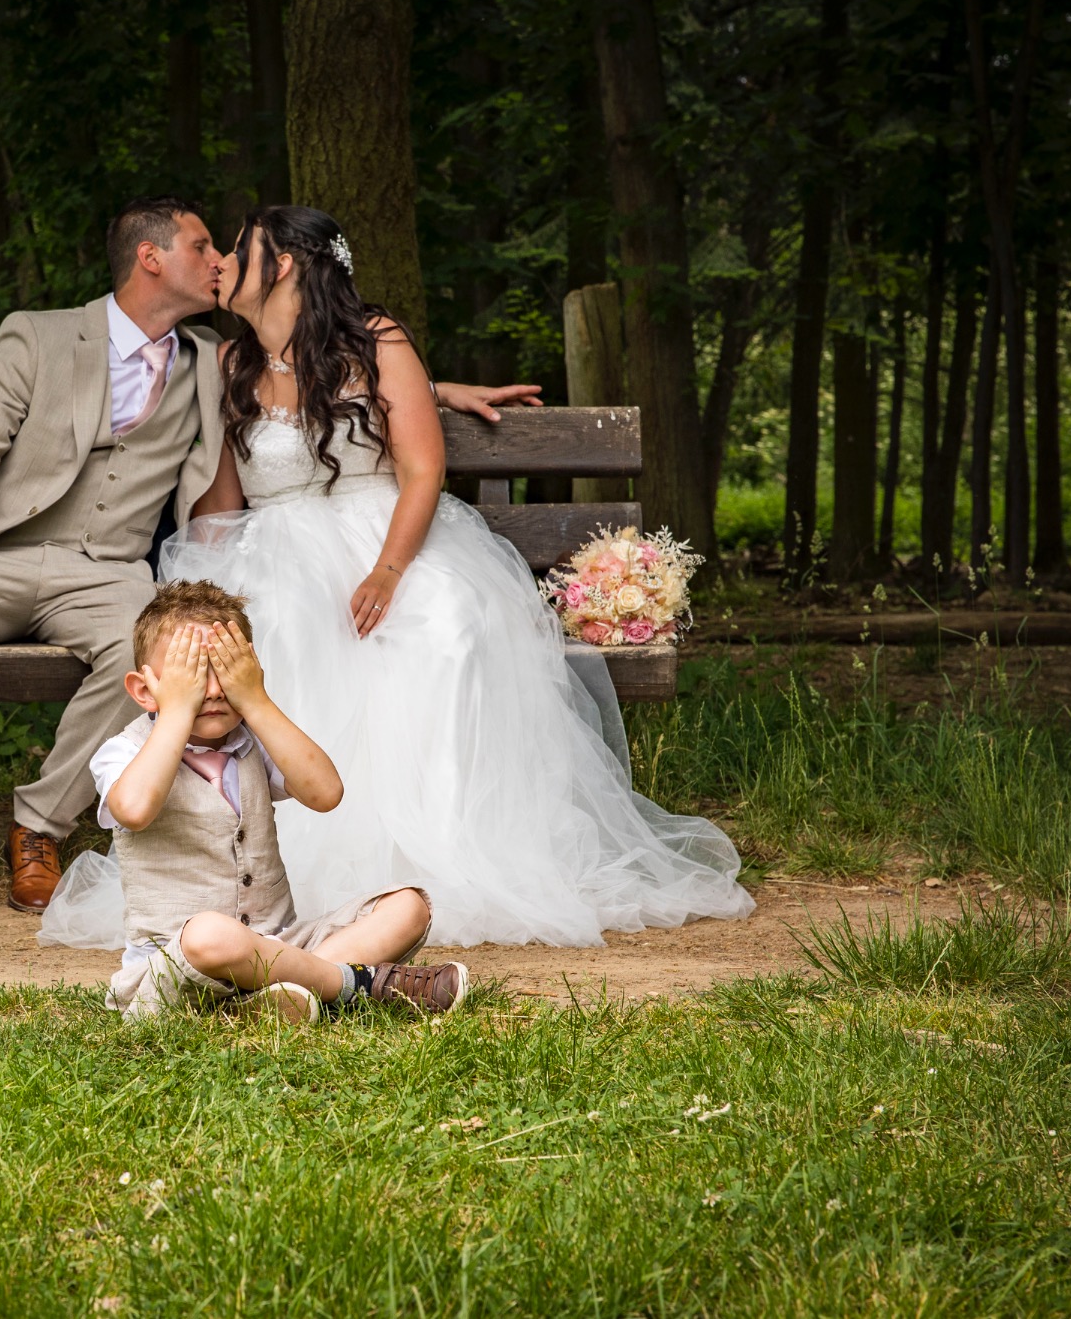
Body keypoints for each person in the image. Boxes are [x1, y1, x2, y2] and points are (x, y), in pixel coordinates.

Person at [0, 195, 533, 933]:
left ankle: (39, 826)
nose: (219, 262)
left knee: (164, 648)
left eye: (229, 249)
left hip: (107, 573)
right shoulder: (55, 340)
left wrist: (436, 391)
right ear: (151, 258)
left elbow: (339, 374)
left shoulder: (207, 357)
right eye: (204, 246)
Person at [152, 205, 751, 947]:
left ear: (280, 265)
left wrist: (387, 571)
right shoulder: (227, 364)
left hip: (385, 536)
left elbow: (422, 469)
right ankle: (293, 865)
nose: (220, 261)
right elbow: (221, 501)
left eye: (237, 248)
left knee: (445, 622)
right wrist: (199, 594)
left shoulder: (376, 341)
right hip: (273, 552)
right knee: (275, 624)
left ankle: (443, 849)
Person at [87, 580, 469, 1021]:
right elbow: (135, 810)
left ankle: (274, 997)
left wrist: (256, 701)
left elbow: (325, 793)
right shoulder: (125, 752)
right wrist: (175, 711)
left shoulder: (253, 740)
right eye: (190, 674)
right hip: (183, 961)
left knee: (408, 906)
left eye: (226, 671)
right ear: (143, 690)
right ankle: (351, 985)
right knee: (210, 934)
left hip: (279, 946)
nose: (212, 690)